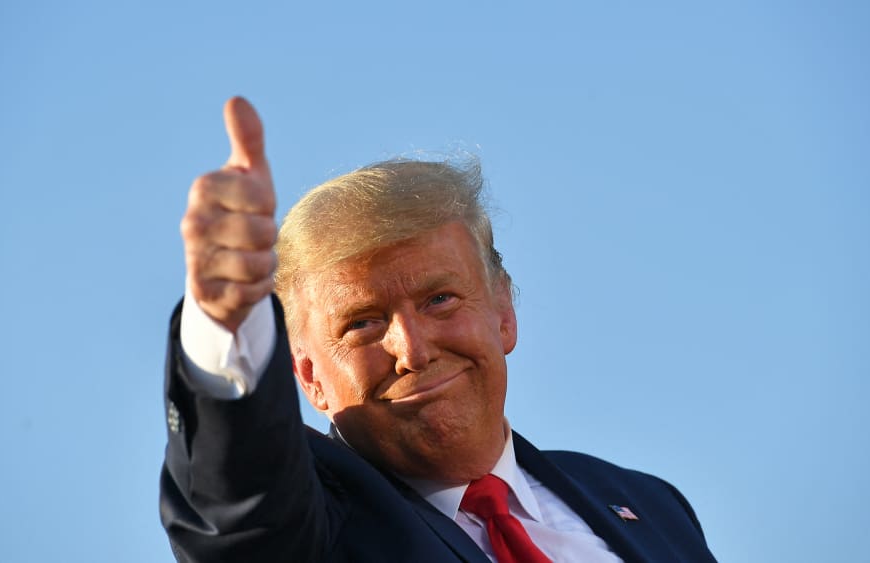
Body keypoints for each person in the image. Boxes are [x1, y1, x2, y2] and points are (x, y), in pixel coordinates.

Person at [159, 97, 717, 562]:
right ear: (309, 376)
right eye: (363, 323)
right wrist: (225, 322)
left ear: (504, 311)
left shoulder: (651, 505)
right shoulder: (310, 525)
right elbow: (240, 505)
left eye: (440, 299)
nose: (412, 349)